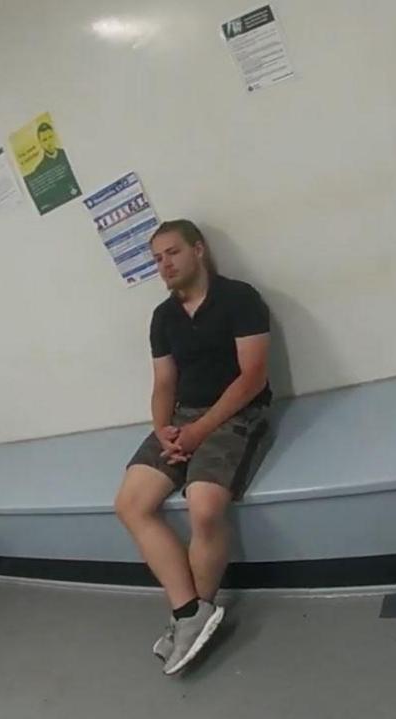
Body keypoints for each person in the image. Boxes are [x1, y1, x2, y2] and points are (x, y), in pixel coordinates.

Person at [114, 219, 272, 675]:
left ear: (198, 250)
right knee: (130, 503)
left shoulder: (240, 298)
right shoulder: (163, 318)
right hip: (183, 418)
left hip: (239, 413)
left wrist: (201, 430)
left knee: (203, 505)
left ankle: (190, 617)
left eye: (172, 253)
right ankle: (189, 614)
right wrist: (163, 428)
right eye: (157, 258)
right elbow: (164, 382)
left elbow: (253, 377)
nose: (164, 264)